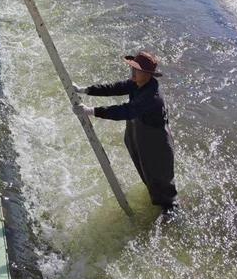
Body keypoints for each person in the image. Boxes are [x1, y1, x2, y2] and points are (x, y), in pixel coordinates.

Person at [73, 51, 178, 212]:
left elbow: (125, 111)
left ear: (148, 75)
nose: (132, 72)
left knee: (163, 187)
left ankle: (171, 215)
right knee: (147, 175)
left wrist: (92, 110)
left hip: (157, 144)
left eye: (137, 69)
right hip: (140, 134)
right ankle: (158, 205)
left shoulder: (152, 97)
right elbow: (115, 88)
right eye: (132, 68)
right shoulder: (137, 83)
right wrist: (85, 90)